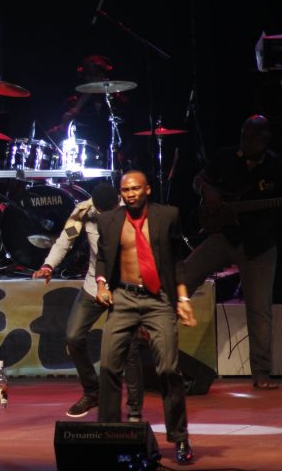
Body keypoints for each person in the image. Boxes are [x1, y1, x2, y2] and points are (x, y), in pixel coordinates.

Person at [94, 170, 197, 464]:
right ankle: (108, 436)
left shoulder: (168, 216)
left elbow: (176, 260)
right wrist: (101, 284)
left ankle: (179, 437)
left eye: (136, 189)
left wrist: (183, 299)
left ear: (147, 189)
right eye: (126, 190)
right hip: (124, 298)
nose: (131, 194)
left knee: (168, 369)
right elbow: (102, 258)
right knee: (109, 366)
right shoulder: (109, 220)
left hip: (158, 299)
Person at [183, 114, 282, 390]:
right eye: (243, 136)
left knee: (259, 310)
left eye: (251, 139)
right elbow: (197, 180)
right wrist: (207, 190)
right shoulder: (225, 157)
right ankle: (157, 347)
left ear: (265, 140)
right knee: (183, 276)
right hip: (225, 237)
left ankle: (261, 373)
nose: (245, 143)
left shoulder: (277, 166)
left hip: (260, 245)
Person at [33, 182, 144, 420]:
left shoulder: (135, 213)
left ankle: (134, 411)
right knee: (73, 337)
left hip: (125, 287)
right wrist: (48, 265)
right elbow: (65, 240)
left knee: (129, 349)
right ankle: (92, 392)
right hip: (94, 285)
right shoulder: (83, 211)